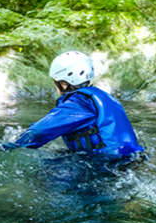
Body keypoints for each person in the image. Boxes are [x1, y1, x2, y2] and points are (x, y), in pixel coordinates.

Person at [11, 51, 144, 156]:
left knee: (40, 175)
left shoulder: (79, 103)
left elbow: (39, 132)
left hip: (107, 162)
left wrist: (11, 147)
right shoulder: (103, 97)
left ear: (64, 83)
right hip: (131, 158)